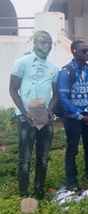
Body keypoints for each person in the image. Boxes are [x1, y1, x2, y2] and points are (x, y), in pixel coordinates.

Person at [9, 30, 59, 199]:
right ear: (35, 42)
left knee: (43, 158)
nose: (47, 46)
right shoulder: (22, 63)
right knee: (25, 158)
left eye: (50, 43)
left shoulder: (53, 67)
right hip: (26, 117)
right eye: (44, 42)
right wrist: (25, 113)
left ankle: (39, 191)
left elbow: (56, 94)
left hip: (44, 117)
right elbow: (13, 89)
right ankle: (24, 194)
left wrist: (50, 109)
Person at [58, 40, 88, 191]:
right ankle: (72, 180)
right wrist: (79, 116)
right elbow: (63, 98)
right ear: (74, 51)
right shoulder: (66, 71)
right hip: (74, 119)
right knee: (72, 150)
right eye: (84, 51)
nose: (87, 53)